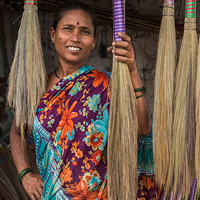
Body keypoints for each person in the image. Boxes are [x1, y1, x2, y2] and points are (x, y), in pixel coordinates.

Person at [10, 1, 155, 199]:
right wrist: (25, 174)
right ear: (53, 34)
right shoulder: (37, 87)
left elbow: (144, 128)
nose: (75, 38)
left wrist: (132, 70)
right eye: (68, 29)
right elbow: (17, 131)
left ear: (94, 40)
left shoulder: (105, 84)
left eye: (85, 32)